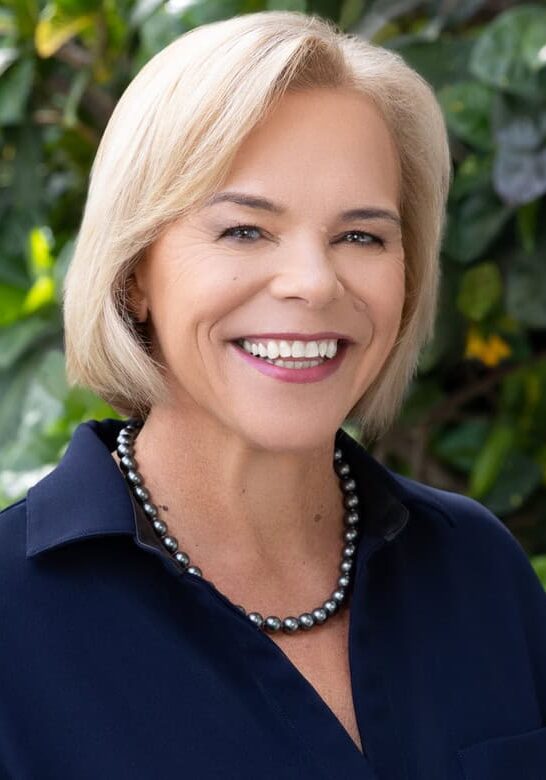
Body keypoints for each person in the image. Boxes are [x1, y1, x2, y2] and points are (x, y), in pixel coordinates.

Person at [1, 9, 545, 779]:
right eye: (245, 231)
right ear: (134, 274)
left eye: (361, 236)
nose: (315, 284)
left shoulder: (479, 570)